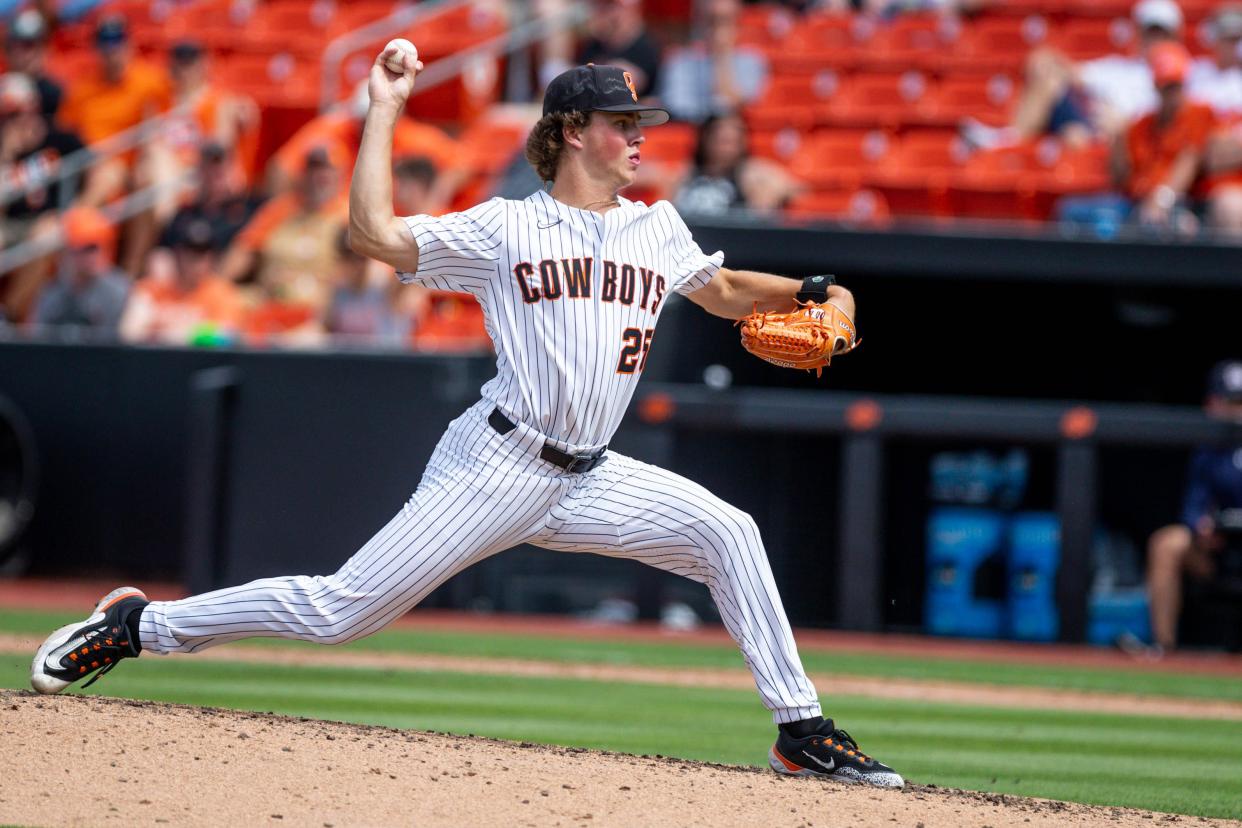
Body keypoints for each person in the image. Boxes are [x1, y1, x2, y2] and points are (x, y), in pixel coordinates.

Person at [29, 56, 904, 790]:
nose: (640, 134)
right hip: (498, 466)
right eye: (620, 120)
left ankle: (801, 730)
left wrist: (815, 291)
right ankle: (141, 626)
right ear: (569, 130)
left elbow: (721, 291)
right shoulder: (505, 229)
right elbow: (372, 233)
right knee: (342, 611)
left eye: (641, 120)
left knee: (729, 532)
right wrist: (384, 109)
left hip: (592, 474)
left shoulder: (657, 226)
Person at [1144, 360, 1242, 655]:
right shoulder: (1207, 450)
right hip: (1219, 553)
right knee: (1166, 543)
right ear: (1213, 404)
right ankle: (1164, 647)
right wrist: (1201, 528)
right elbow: (1193, 505)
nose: (1238, 411)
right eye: (1233, 402)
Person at [1113, 41, 1215, 232]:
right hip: (1137, 202)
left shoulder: (1199, 113)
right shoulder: (1141, 125)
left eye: (1177, 85)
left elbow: (1190, 159)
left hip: (1182, 202)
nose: (1174, 93)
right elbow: (1122, 177)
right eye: (1168, 86)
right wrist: (1117, 138)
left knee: (1180, 225)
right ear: (1156, 87)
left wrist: (1162, 199)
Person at [119, 216, 243, 345]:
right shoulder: (151, 288)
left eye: (203, 254)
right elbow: (129, 333)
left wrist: (181, 333)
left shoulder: (223, 293)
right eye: (191, 254)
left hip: (200, 362)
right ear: (177, 254)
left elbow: (227, 337)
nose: (197, 262)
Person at [659, 0, 769, 123]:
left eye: (725, 21)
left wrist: (722, 58)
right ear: (700, 22)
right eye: (712, 21)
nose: (718, 29)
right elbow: (675, 105)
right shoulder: (679, 61)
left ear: (737, 23)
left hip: (737, 135)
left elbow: (743, 105)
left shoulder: (753, 60)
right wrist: (713, 113)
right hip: (694, 133)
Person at [674, 112, 802, 217]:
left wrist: (765, 196)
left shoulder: (752, 173)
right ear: (706, 140)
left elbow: (796, 189)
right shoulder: (688, 173)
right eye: (723, 141)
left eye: (734, 141)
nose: (728, 149)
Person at [30, 206, 129, 333]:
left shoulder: (118, 291)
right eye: (87, 248)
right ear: (68, 251)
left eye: (97, 247)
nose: (93, 255)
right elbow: (36, 341)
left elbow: (116, 346)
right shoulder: (52, 293)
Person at [576, 0, 663, 99]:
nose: (609, 13)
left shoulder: (646, 46)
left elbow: (623, 86)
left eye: (614, 7)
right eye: (605, 7)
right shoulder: (594, 45)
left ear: (633, 11)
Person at [3, 9, 61, 120]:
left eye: (28, 45)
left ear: (43, 49)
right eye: (12, 46)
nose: (18, 53)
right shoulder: (2, 87)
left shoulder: (56, 95)